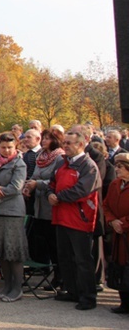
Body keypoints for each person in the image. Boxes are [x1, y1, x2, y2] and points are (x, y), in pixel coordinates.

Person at [48, 128, 101, 310]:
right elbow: (51, 183)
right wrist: (50, 194)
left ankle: (88, 296)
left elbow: (82, 191)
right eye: (64, 143)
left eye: (69, 143)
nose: (65, 146)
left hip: (80, 219)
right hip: (61, 217)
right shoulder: (61, 163)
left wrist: (59, 197)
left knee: (82, 260)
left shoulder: (89, 166)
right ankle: (72, 291)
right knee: (65, 258)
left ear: (80, 144)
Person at [0, 131, 27, 302]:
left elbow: (16, 187)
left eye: (10, 147)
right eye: (3, 147)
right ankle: (7, 285)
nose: (7, 151)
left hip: (12, 212)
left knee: (13, 251)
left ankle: (17, 288)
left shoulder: (19, 164)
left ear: (15, 146)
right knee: (2, 252)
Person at [23, 128, 65, 288]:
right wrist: (29, 186)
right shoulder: (42, 156)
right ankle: (52, 272)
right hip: (39, 204)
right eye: (44, 138)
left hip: (51, 204)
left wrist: (38, 184)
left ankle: (60, 277)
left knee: (55, 244)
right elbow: (35, 174)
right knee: (45, 241)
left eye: (48, 138)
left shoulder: (59, 157)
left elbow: (55, 180)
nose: (44, 141)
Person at [104, 153, 129, 314]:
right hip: (118, 233)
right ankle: (124, 303)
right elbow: (105, 205)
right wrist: (112, 221)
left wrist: (124, 223)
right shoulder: (115, 184)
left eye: (120, 166)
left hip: (126, 231)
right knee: (120, 265)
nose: (117, 169)